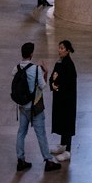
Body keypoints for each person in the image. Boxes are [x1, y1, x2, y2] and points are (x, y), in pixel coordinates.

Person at [13, 43, 62, 172]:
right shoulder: (35, 69)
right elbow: (43, 86)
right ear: (31, 54)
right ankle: (48, 160)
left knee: (21, 133)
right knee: (41, 134)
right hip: (35, 107)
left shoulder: (16, 68)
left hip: (22, 106)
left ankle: (20, 160)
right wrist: (45, 72)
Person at [49, 40, 77, 159]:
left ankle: (68, 150)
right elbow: (53, 76)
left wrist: (58, 87)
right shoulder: (59, 63)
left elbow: (68, 84)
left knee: (67, 123)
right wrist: (52, 85)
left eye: (62, 48)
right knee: (61, 120)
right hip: (59, 99)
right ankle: (62, 144)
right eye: (59, 48)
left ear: (68, 50)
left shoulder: (70, 65)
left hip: (67, 100)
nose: (59, 50)